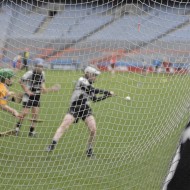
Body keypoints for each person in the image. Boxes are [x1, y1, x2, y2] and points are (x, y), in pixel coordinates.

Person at [47, 65, 115, 157]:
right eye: (94, 75)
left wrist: (107, 96)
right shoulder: (81, 80)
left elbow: (95, 99)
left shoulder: (90, 85)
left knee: (93, 129)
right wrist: (107, 92)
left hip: (85, 108)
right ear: (88, 74)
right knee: (64, 125)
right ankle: (52, 145)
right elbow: (93, 90)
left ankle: (89, 150)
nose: (95, 77)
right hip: (75, 106)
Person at [15, 58, 60, 137]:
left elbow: (43, 88)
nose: (40, 68)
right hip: (28, 95)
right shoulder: (30, 73)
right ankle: (17, 129)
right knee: (25, 113)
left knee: (35, 114)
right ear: (35, 66)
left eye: (41, 66)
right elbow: (20, 81)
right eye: (38, 66)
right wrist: (27, 90)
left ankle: (31, 132)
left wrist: (51, 89)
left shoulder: (42, 74)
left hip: (37, 95)